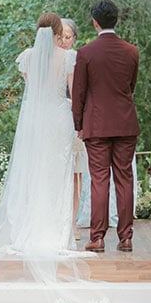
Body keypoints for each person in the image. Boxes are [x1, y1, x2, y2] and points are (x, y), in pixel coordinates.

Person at [0, 13, 109, 303]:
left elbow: (31, 89)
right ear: (57, 32)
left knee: (35, 173)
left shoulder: (27, 57)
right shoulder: (69, 58)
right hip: (59, 118)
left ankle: (32, 227)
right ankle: (58, 230)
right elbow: (73, 95)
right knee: (57, 176)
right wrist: (78, 125)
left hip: (35, 119)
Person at [72, 0, 140, 253]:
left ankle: (97, 237)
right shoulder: (131, 51)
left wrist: (78, 123)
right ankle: (126, 238)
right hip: (125, 123)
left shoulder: (86, 53)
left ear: (95, 21)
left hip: (97, 124)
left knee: (99, 180)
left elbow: (79, 92)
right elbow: (131, 87)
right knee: (125, 179)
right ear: (116, 20)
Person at [57, 17, 86, 241]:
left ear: (74, 38)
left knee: (76, 175)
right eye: (60, 37)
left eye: (68, 37)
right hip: (54, 121)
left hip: (76, 120)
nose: (64, 41)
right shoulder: (48, 60)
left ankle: (73, 222)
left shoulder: (78, 58)